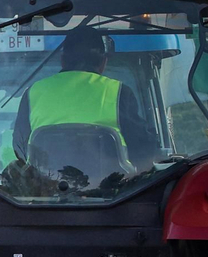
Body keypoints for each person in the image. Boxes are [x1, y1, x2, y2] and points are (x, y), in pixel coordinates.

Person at [15, 28, 152, 167]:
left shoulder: (33, 93)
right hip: (115, 186)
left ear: (63, 60)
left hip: (46, 186)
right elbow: (143, 148)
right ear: (103, 63)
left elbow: (19, 147)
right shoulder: (119, 93)